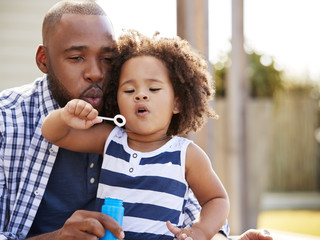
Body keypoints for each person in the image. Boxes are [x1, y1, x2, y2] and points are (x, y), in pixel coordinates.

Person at [0, 0, 272, 240]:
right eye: (75, 57)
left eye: (107, 58)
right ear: (44, 59)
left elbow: (191, 214)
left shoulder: (140, 123)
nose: (95, 72)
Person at [41, 29, 230, 240]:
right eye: (129, 91)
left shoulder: (186, 154)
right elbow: (53, 134)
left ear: (177, 102)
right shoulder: (110, 139)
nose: (140, 95)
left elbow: (217, 199)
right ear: (116, 100)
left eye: (154, 89)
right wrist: (65, 116)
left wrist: (200, 232)